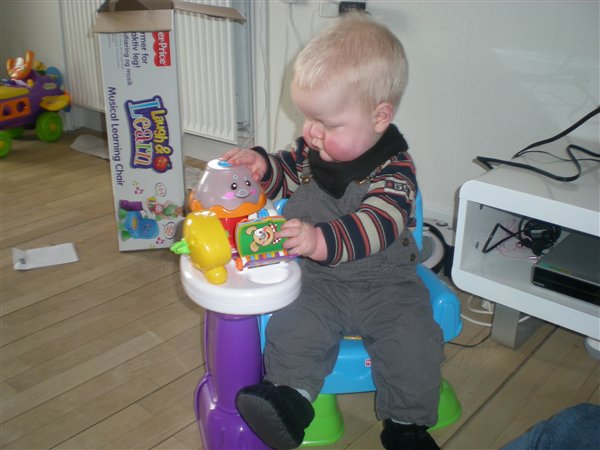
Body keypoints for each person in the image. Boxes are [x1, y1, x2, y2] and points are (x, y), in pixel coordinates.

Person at [225, 12, 444, 450]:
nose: (312, 133)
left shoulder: (396, 171)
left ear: (379, 116)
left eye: (327, 124)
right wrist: (263, 166)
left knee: (415, 341)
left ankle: (406, 426)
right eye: (309, 119)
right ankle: (290, 402)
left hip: (387, 285)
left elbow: (378, 223)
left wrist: (318, 239)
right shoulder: (312, 151)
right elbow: (287, 174)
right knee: (294, 326)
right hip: (319, 281)